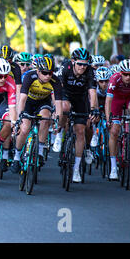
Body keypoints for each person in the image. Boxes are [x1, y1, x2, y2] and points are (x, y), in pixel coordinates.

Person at [53, 47, 99, 183]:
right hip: (65, 95)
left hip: (81, 99)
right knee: (65, 107)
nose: (82, 67)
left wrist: (93, 109)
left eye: (85, 64)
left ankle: (76, 169)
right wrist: (57, 108)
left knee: (80, 131)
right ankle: (60, 133)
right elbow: (58, 88)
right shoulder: (65, 67)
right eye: (79, 64)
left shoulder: (90, 71)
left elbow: (92, 92)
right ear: (73, 61)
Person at [12, 56, 62, 173]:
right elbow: (22, 99)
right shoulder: (30, 76)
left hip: (43, 102)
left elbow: (58, 103)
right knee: (24, 129)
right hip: (28, 102)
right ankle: (17, 156)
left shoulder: (55, 81)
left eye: (50, 73)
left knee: (46, 118)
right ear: (38, 71)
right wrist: (19, 117)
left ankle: (39, 151)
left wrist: (57, 121)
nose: (47, 76)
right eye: (44, 73)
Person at [106, 59, 130, 180]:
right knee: (114, 132)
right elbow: (108, 100)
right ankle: (113, 168)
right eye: (125, 74)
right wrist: (108, 118)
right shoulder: (114, 79)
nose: (127, 77)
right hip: (117, 100)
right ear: (120, 73)